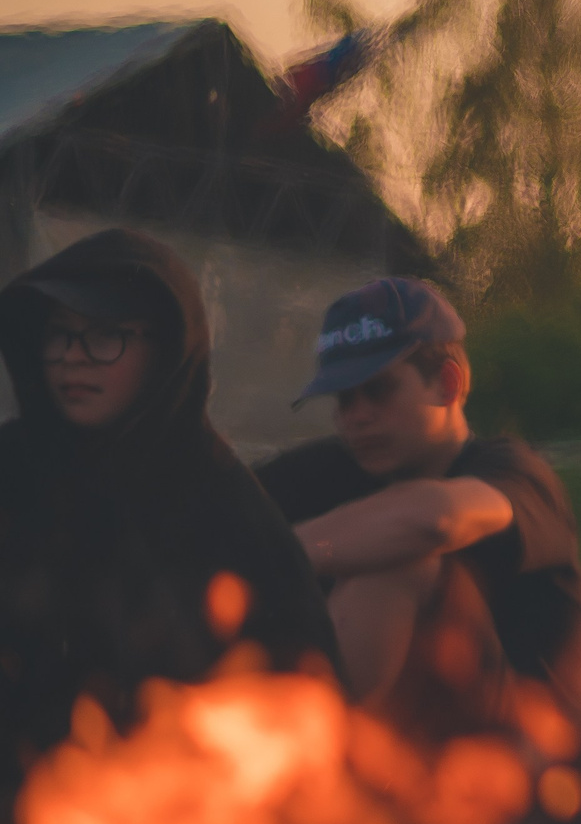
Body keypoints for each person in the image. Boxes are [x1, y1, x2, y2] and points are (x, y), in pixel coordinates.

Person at [0, 229, 336, 778]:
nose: (72, 359)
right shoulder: (12, 469)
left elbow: (303, 704)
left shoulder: (224, 507)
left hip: (158, 814)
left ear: (167, 350)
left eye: (104, 336)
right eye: (58, 335)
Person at [257, 279, 581, 740]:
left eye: (377, 390)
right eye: (343, 399)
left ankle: (292, 769)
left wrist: (268, 555)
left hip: (528, 766)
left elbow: (434, 518)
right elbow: (214, 507)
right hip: (412, 760)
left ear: (446, 384)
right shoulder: (331, 467)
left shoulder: (518, 474)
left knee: (395, 558)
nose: (356, 415)